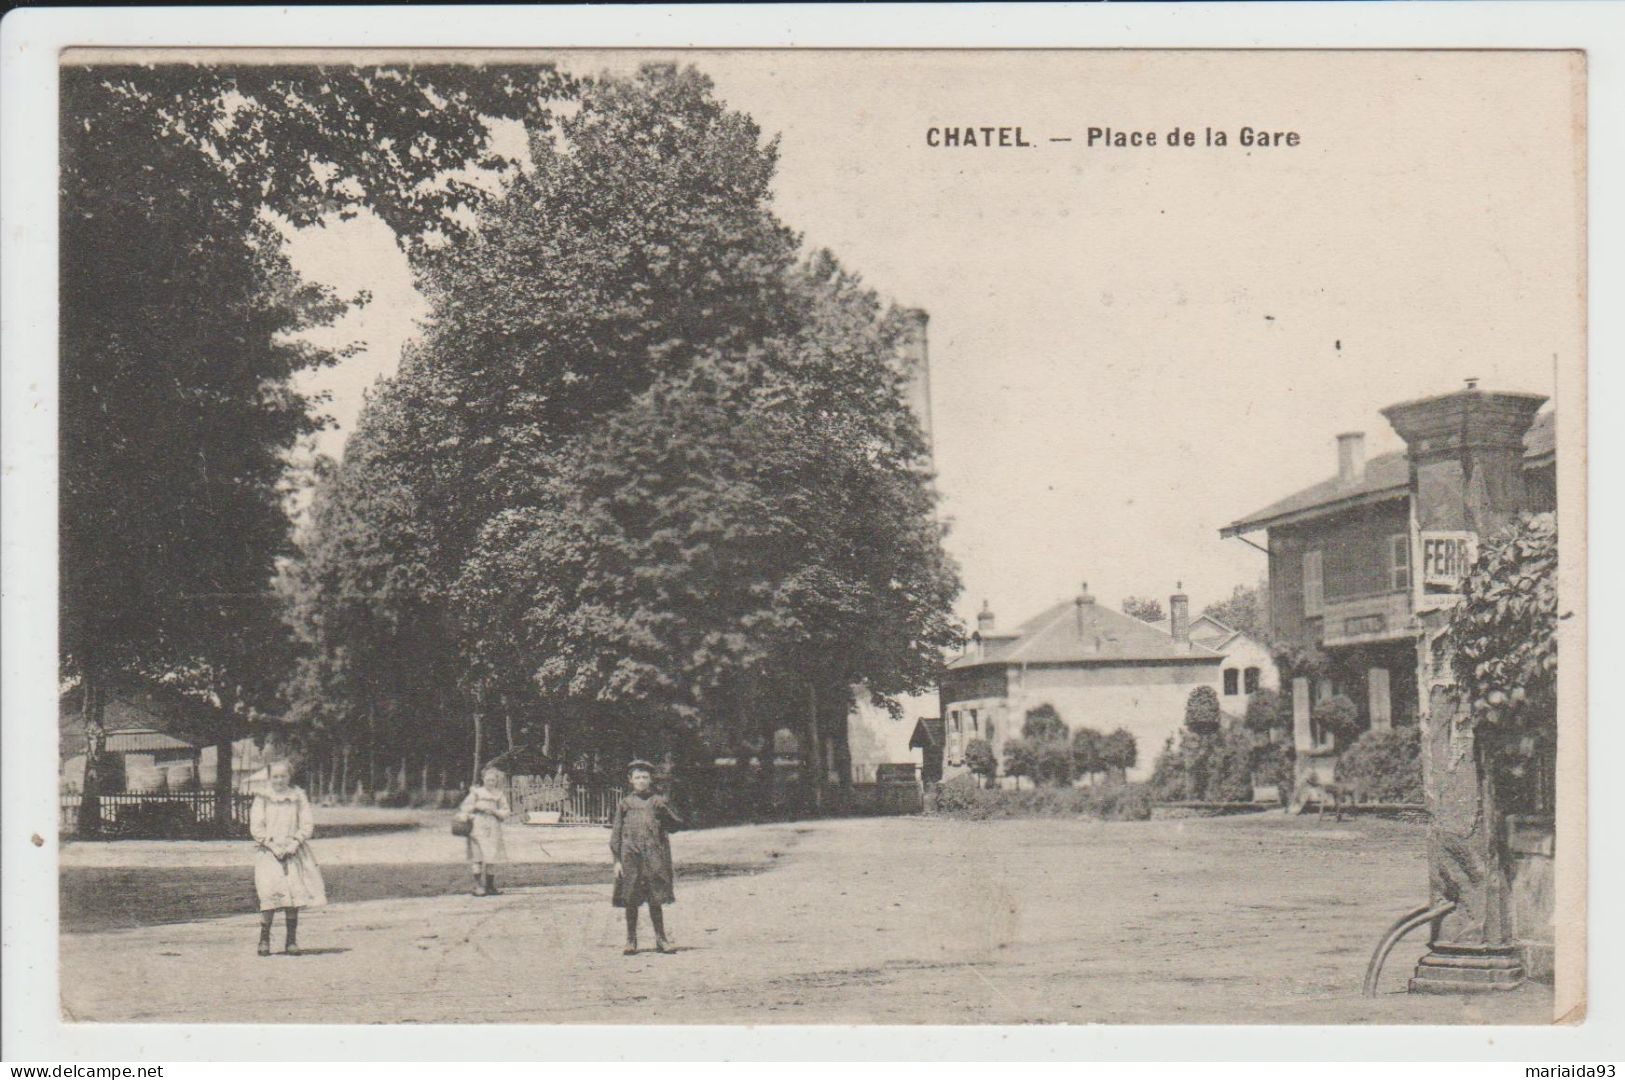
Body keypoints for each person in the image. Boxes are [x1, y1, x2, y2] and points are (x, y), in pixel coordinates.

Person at [250, 760, 326, 956]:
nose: (279, 780)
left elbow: (306, 823)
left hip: (293, 850)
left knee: (292, 895)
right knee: (269, 894)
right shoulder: (262, 797)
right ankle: (264, 939)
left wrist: (294, 843)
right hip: (269, 852)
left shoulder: (298, 796)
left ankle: (291, 941)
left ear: (289, 776)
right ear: (269, 777)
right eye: (275, 776)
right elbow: (256, 826)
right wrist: (272, 845)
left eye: (283, 776)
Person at [609, 759, 684, 955]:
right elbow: (616, 833)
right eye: (637, 777)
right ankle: (631, 940)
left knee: (655, 898)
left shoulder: (657, 801)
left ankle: (661, 939)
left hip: (653, 856)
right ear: (630, 780)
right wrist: (617, 860)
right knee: (631, 898)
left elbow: (675, 825)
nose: (641, 781)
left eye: (645, 777)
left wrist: (665, 808)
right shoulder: (625, 804)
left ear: (650, 779)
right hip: (630, 857)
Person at [457, 767, 511, 896]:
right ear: (483, 780)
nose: (490, 782)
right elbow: (465, 807)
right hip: (478, 826)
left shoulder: (499, 794)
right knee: (477, 857)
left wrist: (495, 812)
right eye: (488, 780)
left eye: (493, 780)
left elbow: (506, 810)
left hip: (493, 826)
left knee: (491, 857)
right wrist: (475, 809)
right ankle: (478, 886)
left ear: (496, 781)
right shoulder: (476, 793)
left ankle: (490, 886)